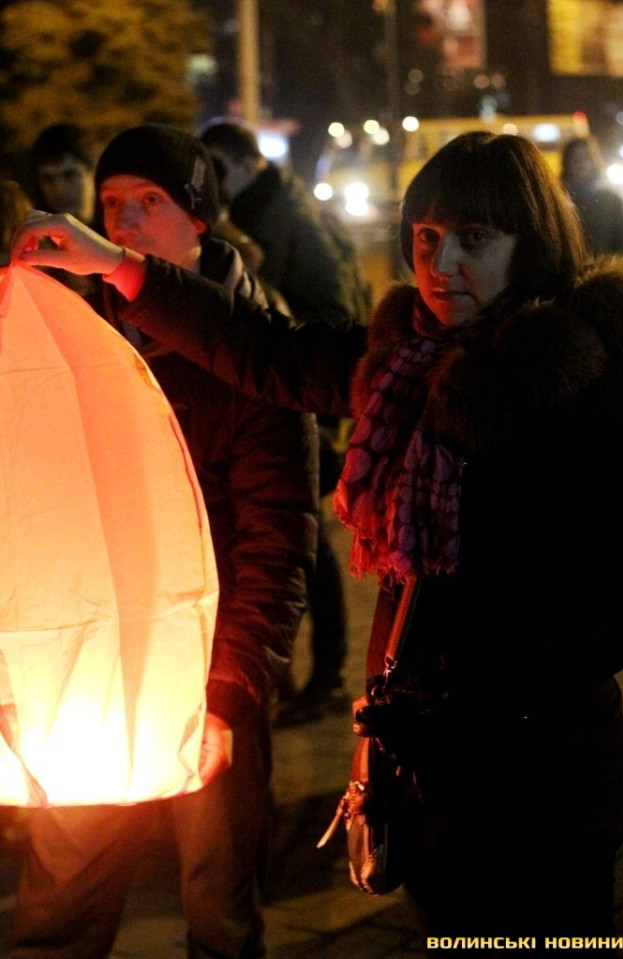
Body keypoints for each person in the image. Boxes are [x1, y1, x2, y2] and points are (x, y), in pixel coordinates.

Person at [13, 129, 623, 951]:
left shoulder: (586, 378)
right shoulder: (406, 360)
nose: (441, 263)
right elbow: (263, 349)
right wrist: (117, 265)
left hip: (541, 770)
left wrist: (483, 681)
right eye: (426, 237)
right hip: (424, 769)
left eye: (474, 239)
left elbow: (619, 596)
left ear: (532, 242)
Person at [8, 123, 319, 959]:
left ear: (199, 219)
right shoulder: (76, 340)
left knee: (218, 897)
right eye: (113, 203)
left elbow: (280, 539)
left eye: (150, 201)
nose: (127, 221)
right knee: (61, 897)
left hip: (209, 674)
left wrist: (231, 693)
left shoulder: (253, 347)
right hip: (90, 675)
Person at [199, 118, 371, 723]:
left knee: (306, 539)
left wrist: (269, 324)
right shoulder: (260, 210)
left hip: (300, 398)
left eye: (218, 169)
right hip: (279, 390)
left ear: (246, 165)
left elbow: (334, 311)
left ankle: (328, 674)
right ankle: (302, 673)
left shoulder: (288, 218)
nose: (212, 183)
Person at [560, 134, 623, 255]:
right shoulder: (557, 200)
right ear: (566, 162)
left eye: (585, 157)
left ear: (594, 160)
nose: (580, 162)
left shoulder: (611, 201)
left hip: (604, 265)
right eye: (574, 157)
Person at [29, 122, 98, 225]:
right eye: (48, 179)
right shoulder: (36, 230)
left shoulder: (118, 225)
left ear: (94, 173)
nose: (59, 190)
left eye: (70, 175)